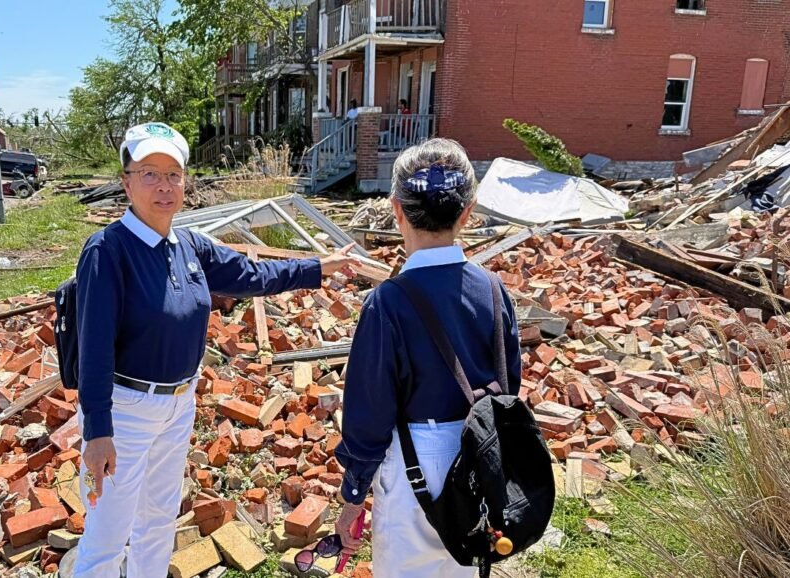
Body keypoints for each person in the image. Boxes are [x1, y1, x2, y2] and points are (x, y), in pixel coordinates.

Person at [73, 122, 361, 578]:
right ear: (126, 182)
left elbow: (252, 276)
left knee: (157, 522)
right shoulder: (107, 251)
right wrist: (97, 430)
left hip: (177, 404)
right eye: (149, 174)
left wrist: (317, 268)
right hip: (125, 410)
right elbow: (92, 348)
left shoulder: (187, 245)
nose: (164, 186)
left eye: (173, 175)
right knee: (108, 536)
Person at [332, 139, 522, 577]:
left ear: (397, 210)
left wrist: (353, 498)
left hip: (415, 462)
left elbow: (369, 413)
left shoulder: (388, 302)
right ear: (467, 212)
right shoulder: (494, 291)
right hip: (482, 454)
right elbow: (510, 383)